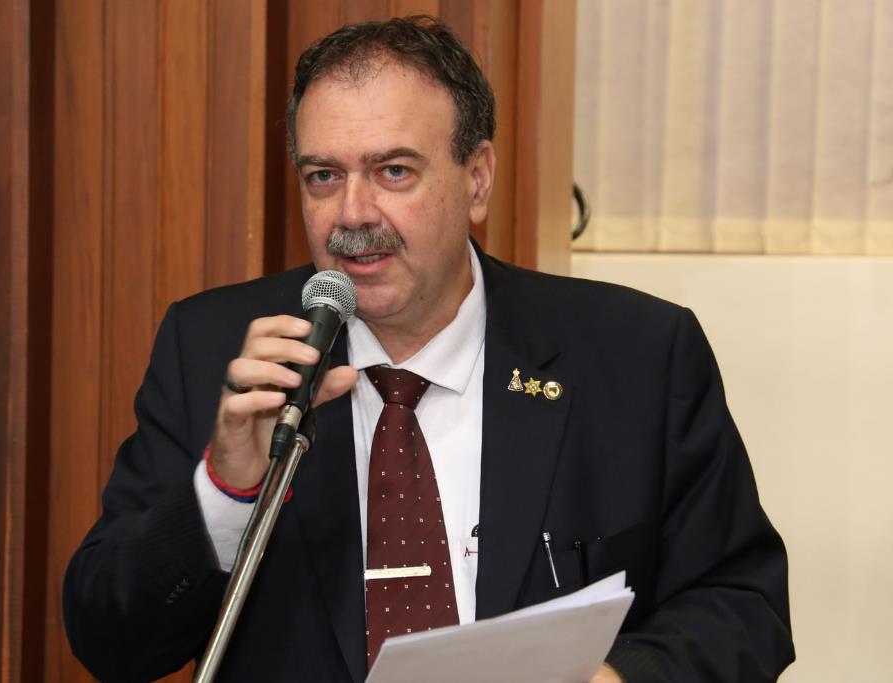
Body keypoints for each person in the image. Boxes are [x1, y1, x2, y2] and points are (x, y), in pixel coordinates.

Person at [64, 16, 794, 682]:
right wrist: (227, 488)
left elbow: (742, 606)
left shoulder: (635, 355)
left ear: (477, 179)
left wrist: (617, 679)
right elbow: (109, 641)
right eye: (323, 176)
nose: (352, 214)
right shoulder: (217, 353)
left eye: (394, 172)